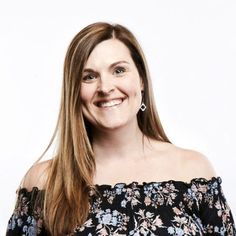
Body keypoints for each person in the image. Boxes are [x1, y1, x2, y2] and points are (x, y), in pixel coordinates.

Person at [6, 22, 236, 236]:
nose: (105, 87)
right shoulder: (45, 181)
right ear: (74, 92)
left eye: (118, 70)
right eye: (89, 77)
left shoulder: (192, 171)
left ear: (142, 79)